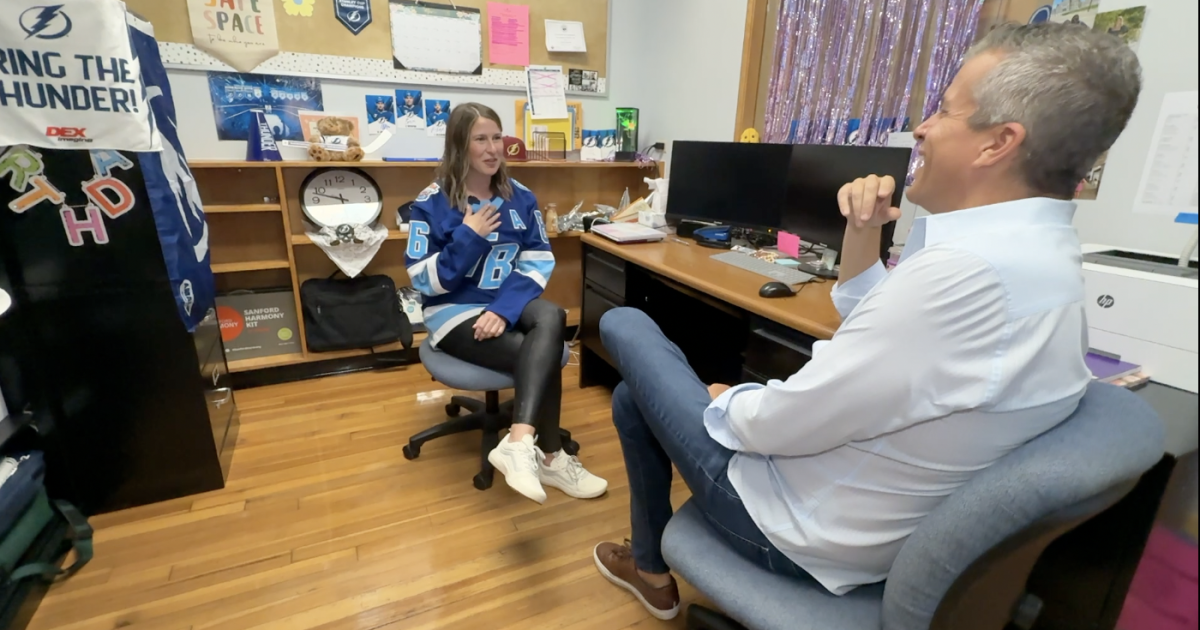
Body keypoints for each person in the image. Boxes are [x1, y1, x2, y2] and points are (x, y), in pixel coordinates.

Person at [591, 22, 1141, 620]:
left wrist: (724, 399)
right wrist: (862, 229)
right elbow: (866, 312)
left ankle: (650, 567)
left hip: (792, 531)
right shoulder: (1041, 255)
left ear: (997, 143)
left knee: (625, 325)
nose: (923, 127)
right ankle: (649, 565)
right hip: (862, 518)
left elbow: (781, 424)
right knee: (632, 397)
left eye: (945, 111)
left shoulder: (965, 275)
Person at [405, 103, 608, 504]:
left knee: (552, 315)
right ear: (459, 145)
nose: (492, 148)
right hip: (454, 311)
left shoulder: (522, 198)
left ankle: (519, 442)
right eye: (480, 138)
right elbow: (423, 278)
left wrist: (503, 309)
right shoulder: (430, 204)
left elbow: (537, 260)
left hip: (502, 302)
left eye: (497, 137)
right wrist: (469, 236)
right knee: (544, 354)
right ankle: (550, 455)